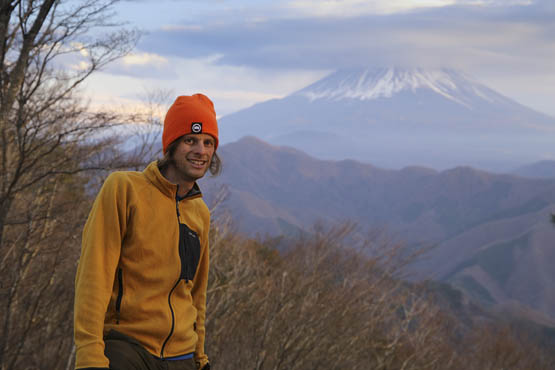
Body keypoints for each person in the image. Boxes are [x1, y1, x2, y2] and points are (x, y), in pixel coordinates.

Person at [74, 94, 221, 370]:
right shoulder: (124, 190)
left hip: (182, 356)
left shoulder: (199, 213)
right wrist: (89, 354)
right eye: (190, 140)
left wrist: (200, 357)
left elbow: (196, 293)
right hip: (127, 346)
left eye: (208, 142)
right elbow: (94, 276)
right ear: (172, 144)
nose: (201, 150)